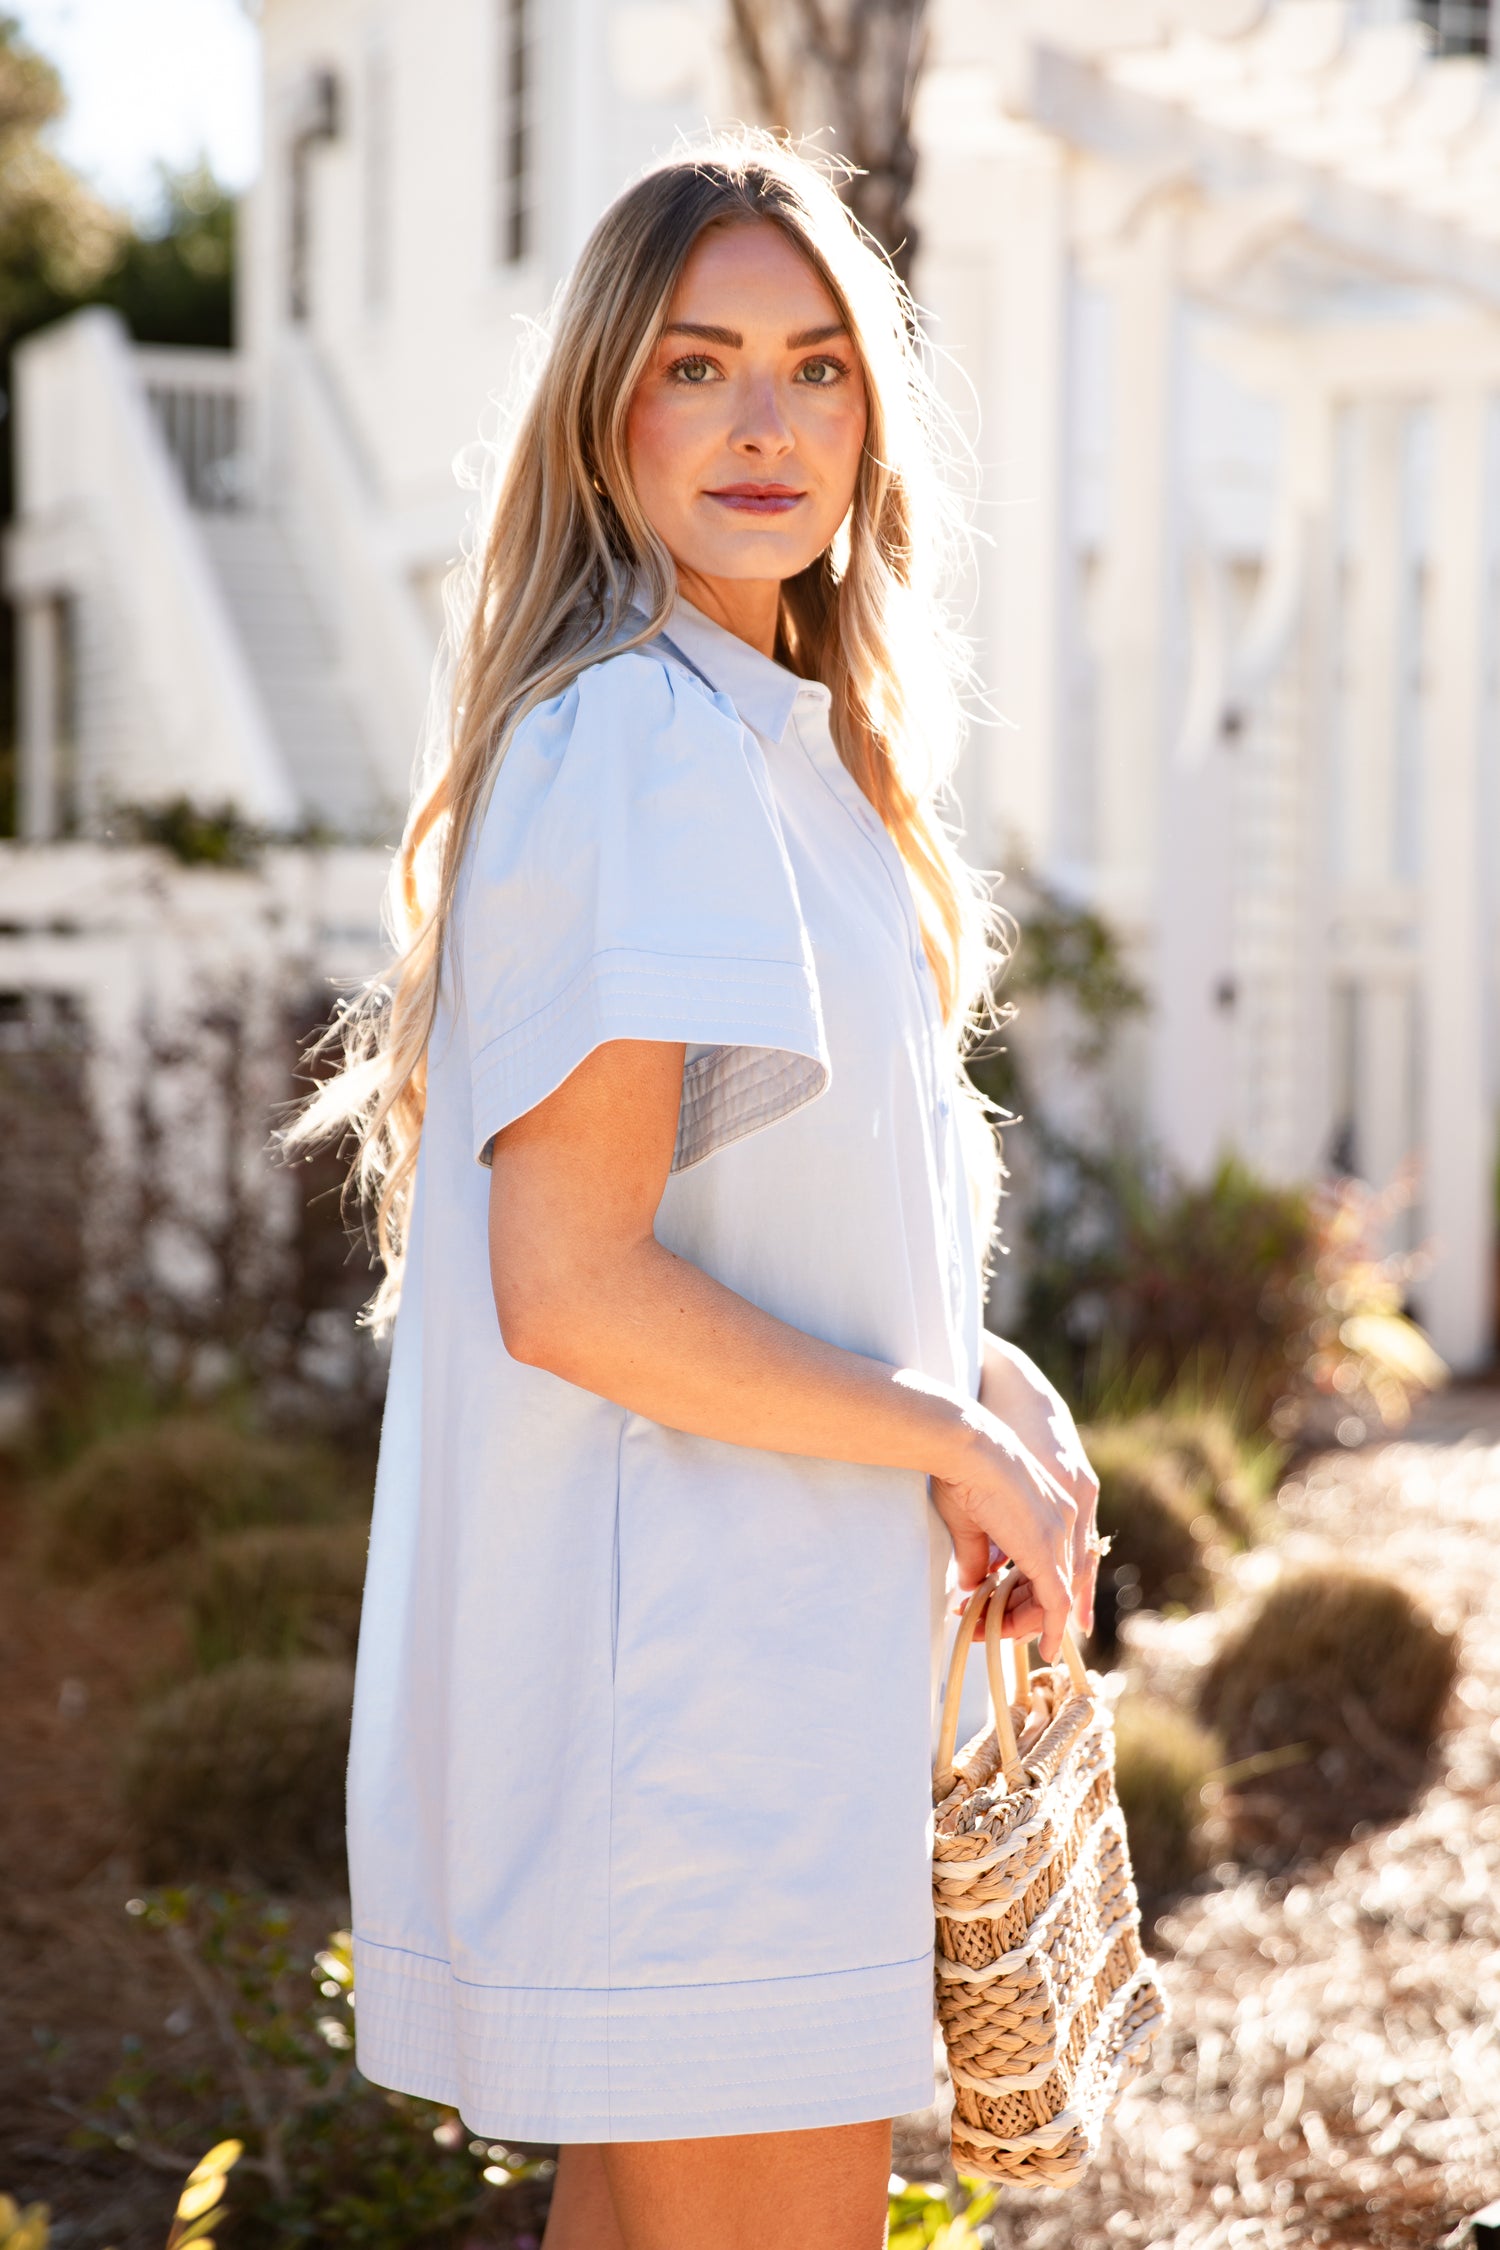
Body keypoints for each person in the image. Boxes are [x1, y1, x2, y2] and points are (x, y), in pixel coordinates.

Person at [294, 133, 1101, 2250]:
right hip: (701, 1738)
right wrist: (938, 1435)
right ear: (604, 411)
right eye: (698, 364)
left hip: (751, 1700)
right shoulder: (644, 742)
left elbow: (776, 1241)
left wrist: (988, 1384)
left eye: (818, 366)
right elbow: (571, 1283)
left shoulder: (782, 748)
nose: (764, 422)